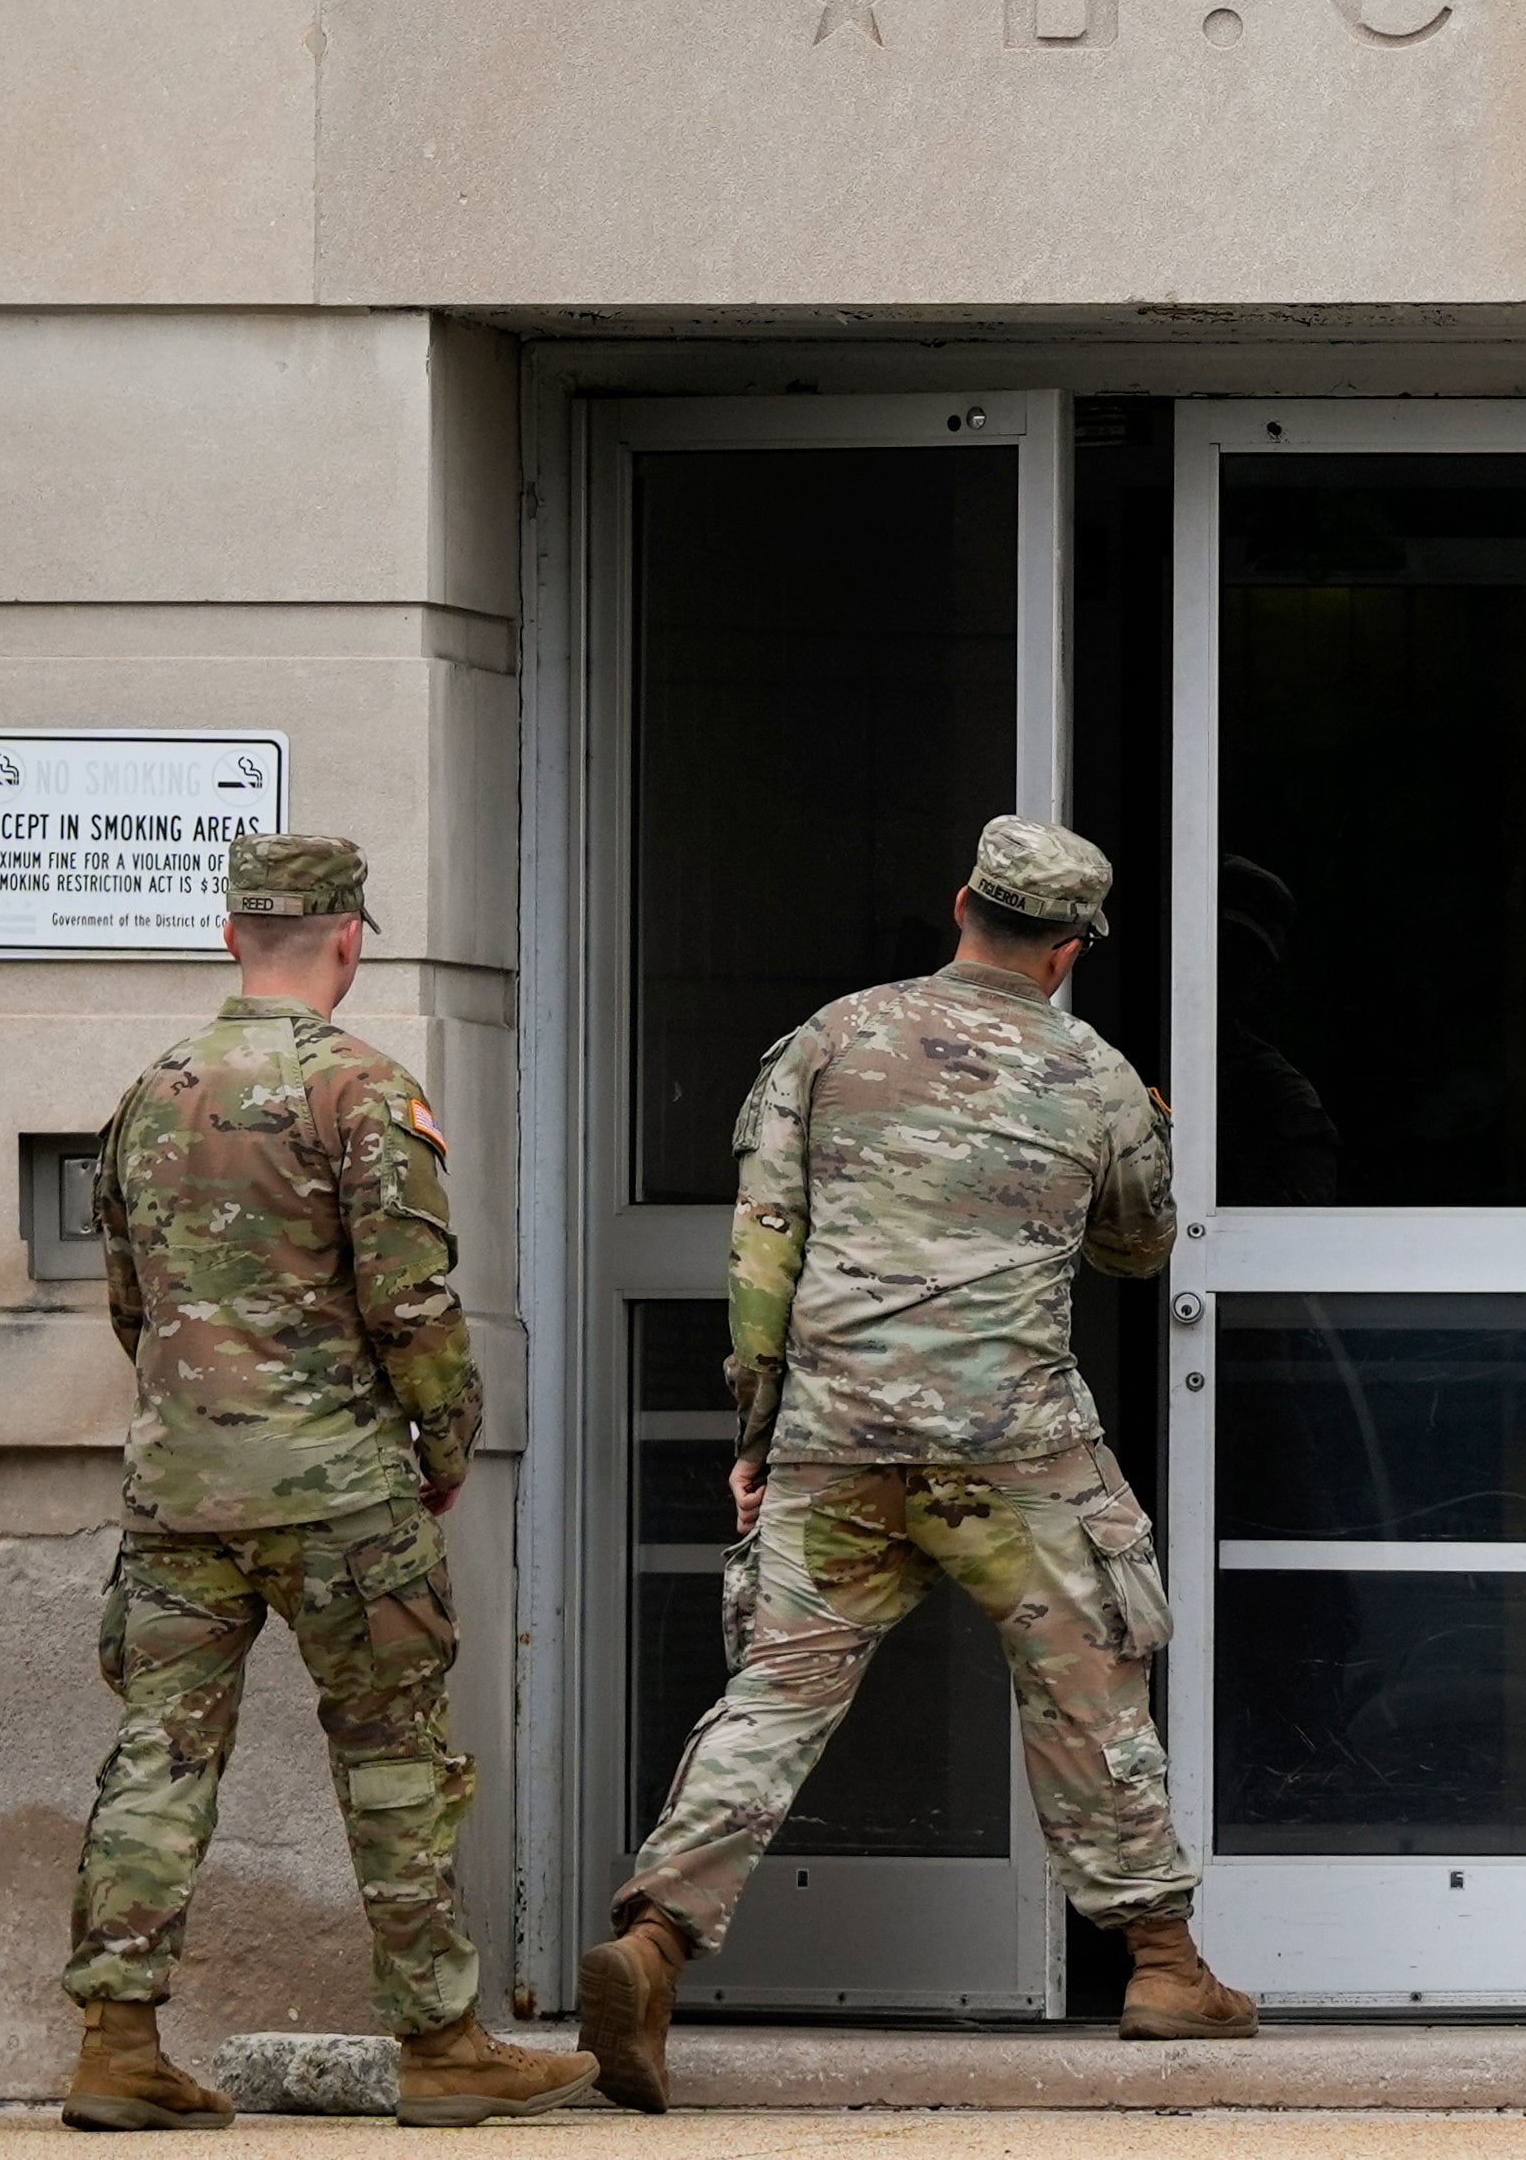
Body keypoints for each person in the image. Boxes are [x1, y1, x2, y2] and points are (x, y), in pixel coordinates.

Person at [577, 814, 1255, 2115]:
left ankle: (654, 1945)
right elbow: (1137, 1246)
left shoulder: (826, 1043)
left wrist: (757, 1437)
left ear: (961, 906)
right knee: (1089, 1683)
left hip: (840, 1439)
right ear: (1065, 953)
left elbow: (762, 1247)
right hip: (1016, 1443)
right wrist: (1141, 1138)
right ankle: (1164, 1964)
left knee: (777, 1694)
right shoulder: (1094, 1073)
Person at [58, 833, 595, 2131]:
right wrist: (447, 1447)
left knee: (158, 1757)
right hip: (344, 1493)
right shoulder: (361, 1090)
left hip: (181, 1493)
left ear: (231, 936)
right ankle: (441, 2042)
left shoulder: (149, 1092)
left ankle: (117, 2043)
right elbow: (414, 1305)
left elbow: (129, 1305)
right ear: (351, 939)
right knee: (396, 1757)